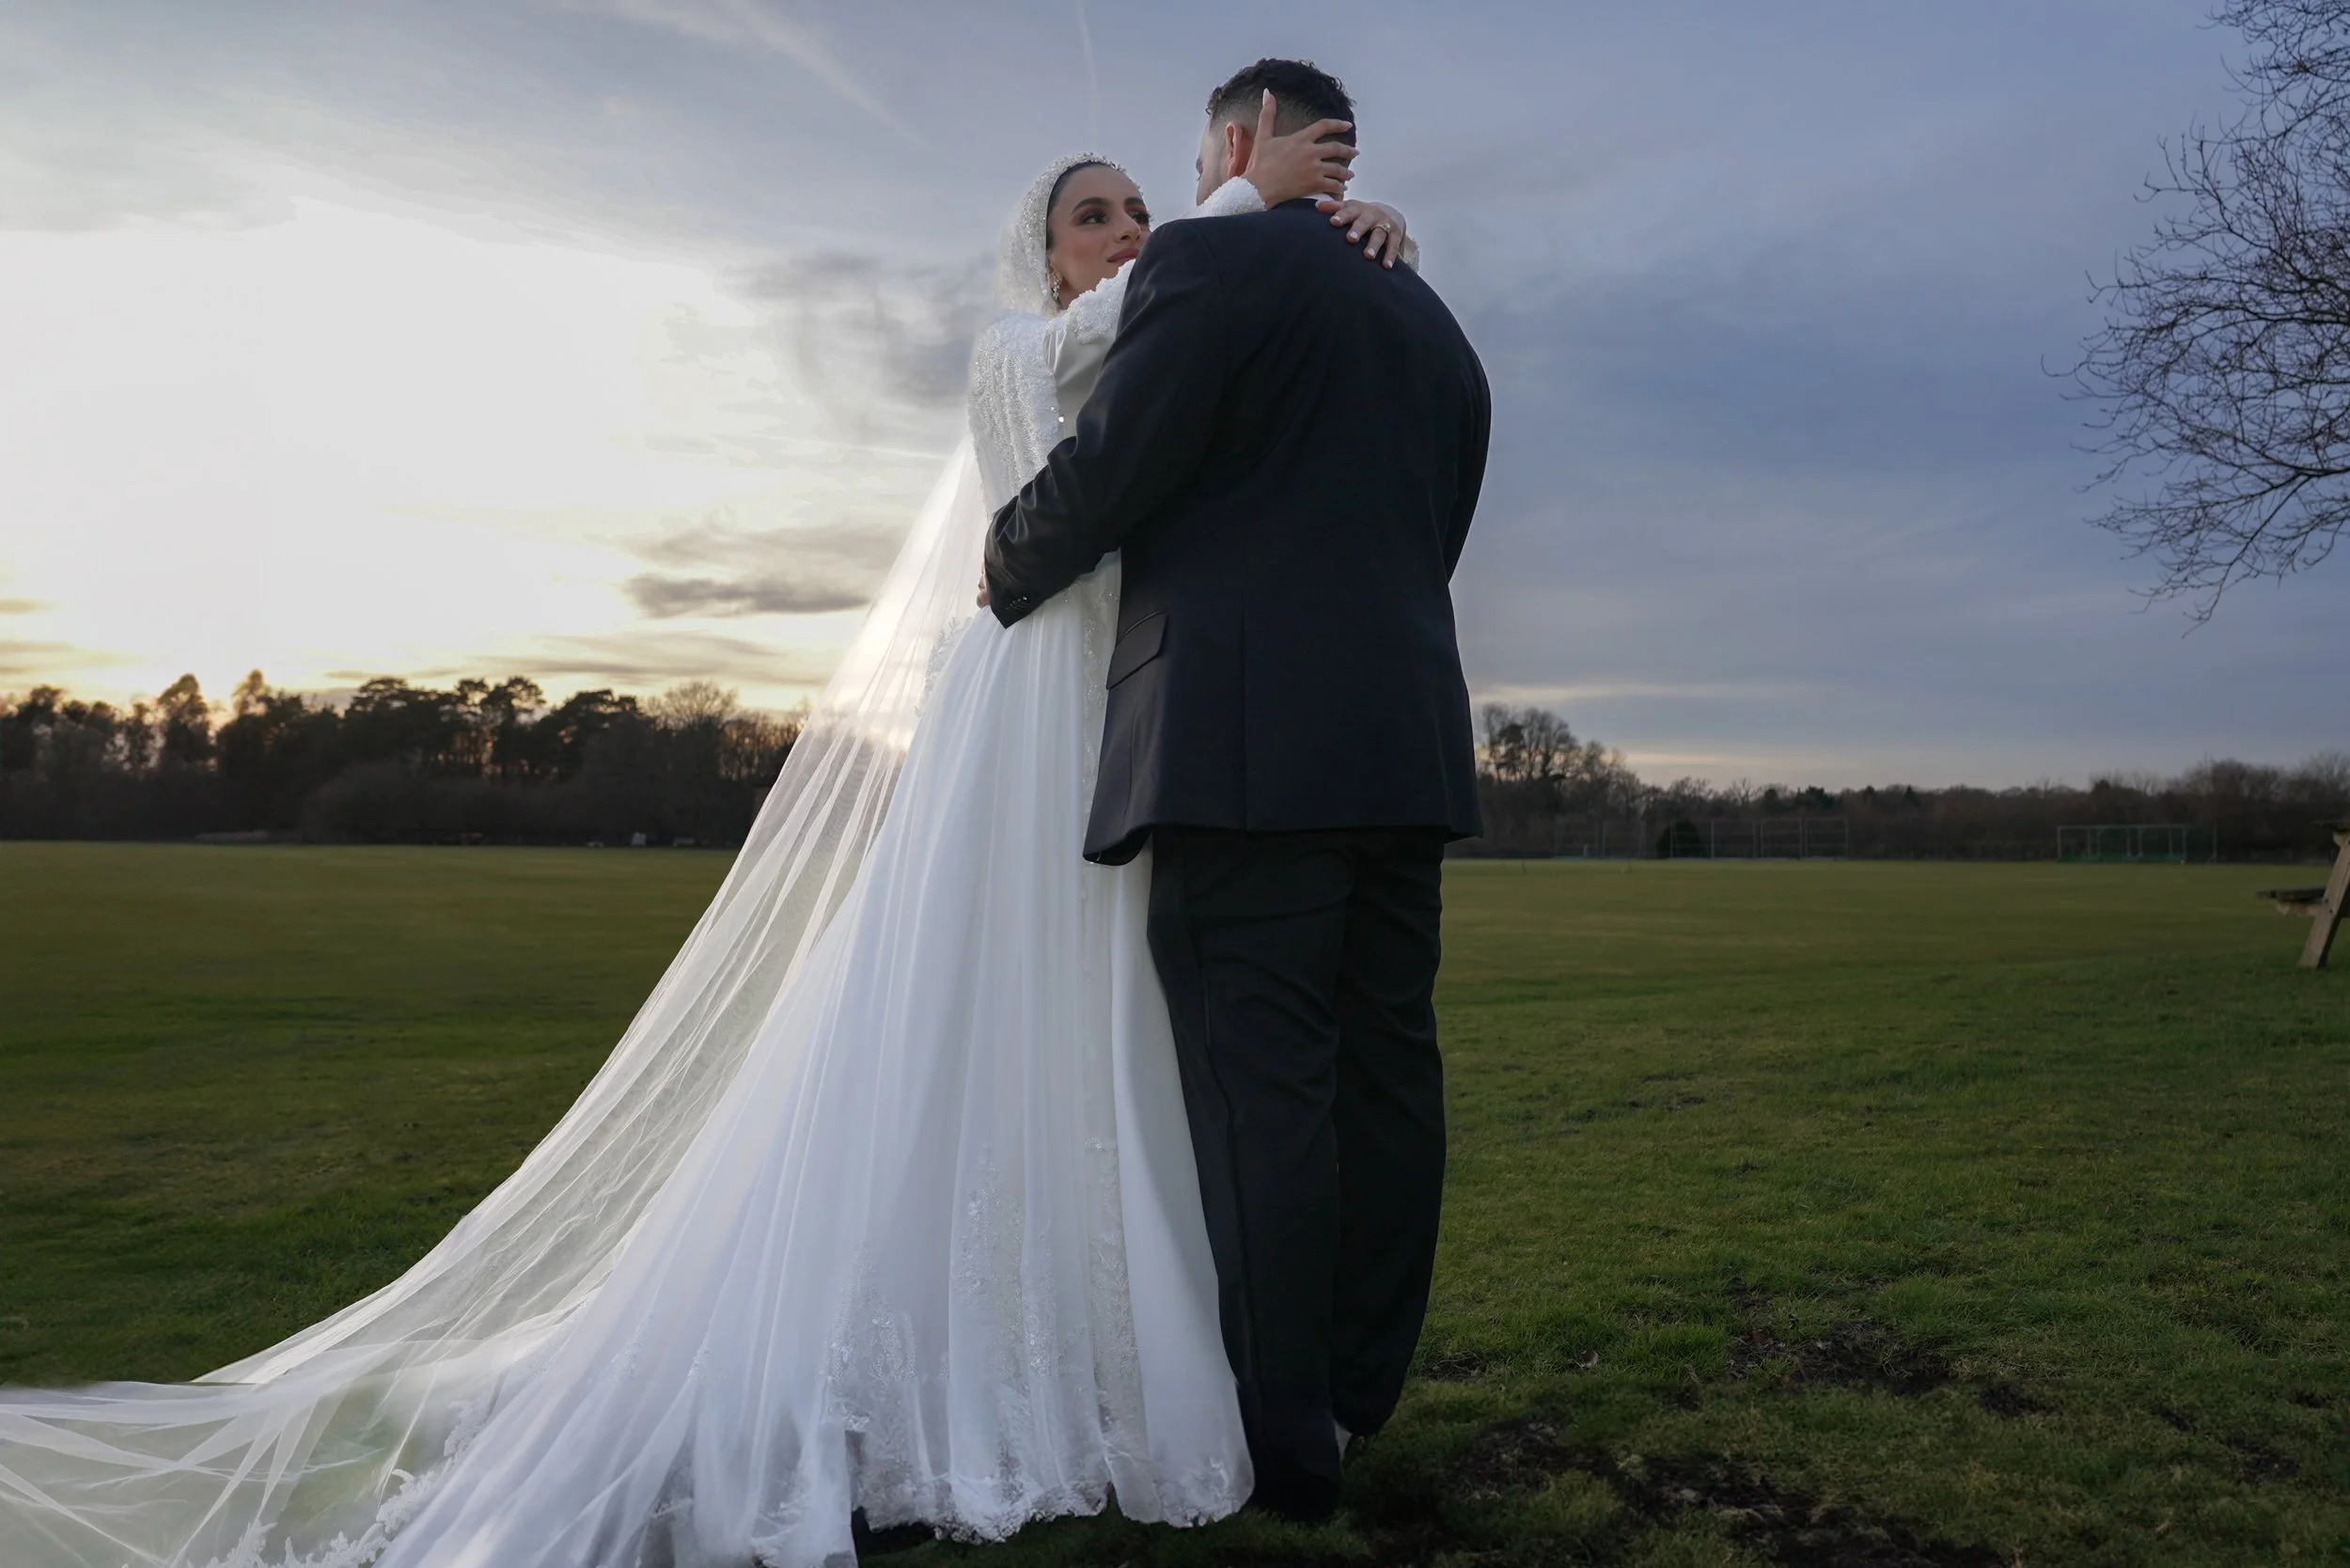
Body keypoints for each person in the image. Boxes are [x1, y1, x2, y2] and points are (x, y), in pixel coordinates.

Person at [0, 83, 1418, 1568]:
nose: (1128, 231)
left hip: (1134, 708)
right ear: (1043, 257)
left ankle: (1137, 1333)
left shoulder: (1170, 314)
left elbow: (1208, 378)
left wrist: (1328, 226)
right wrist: (1251, 202)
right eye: (1095, 215)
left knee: (1131, 1009)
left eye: (1141, 208)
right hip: (1031, 701)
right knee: (1002, 998)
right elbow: (1101, 352)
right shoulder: (1020, 351)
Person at [985, 56, 1492, 1522]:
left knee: (1261, 1085)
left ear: (1234, 140)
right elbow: (1434, 521)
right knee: (1387, 1069)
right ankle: (1359, 1386)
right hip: (1401, 740)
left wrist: (1009, 562)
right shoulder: (1420, 303)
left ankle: (1286, 1444)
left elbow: (1124, 460)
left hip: (1246, 744)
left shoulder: (1211, 255)